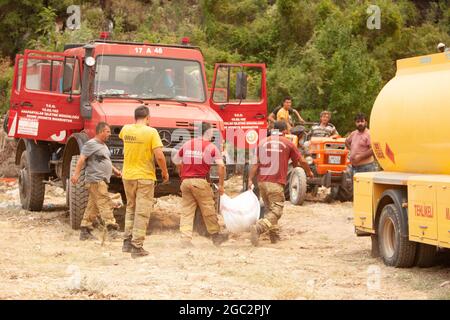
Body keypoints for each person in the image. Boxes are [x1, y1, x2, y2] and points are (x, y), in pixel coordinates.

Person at [248, 121, 314, 246]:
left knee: (270, 210)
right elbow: (301, 161)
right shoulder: (288, 143)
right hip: (275, 182)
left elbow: (256, 164)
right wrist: (309, 172)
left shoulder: (262, 142)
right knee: (277, 211)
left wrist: (250, 180)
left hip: (262, 182)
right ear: (284, 131)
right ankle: (258, 228)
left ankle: (274, 236)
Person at [119, 105, 169, 258]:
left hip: (127, 175)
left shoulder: (125, 129)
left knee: (130, 208)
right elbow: (159, 155)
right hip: (145, 176)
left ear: (135, 117)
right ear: (148, 117)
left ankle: (127, 242)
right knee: (142, 211)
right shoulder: (151, 132)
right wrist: (164, 171)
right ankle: (137, 246)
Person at [173, 122, 229, 247]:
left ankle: (185, 239)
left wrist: (182, 172)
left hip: (185, 182)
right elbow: (221, 166)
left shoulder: (187, 144)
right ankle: (215, 236)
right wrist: (221, 185)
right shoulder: (211, 147)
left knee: (187, 211)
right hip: (200, 182)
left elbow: (176, 160)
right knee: (208, 208)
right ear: (208, 132)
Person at [71, 122, 122, 241]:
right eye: (107, 131)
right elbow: (82, 159)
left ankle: (85, 230)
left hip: (101, 180)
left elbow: (106, 160)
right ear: (100, 132)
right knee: (105, 203)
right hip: (95, 180)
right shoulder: (91, 144)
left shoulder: (103, 145)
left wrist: (115, 170)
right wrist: (76, 174)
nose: (109, 134)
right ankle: (112, 229)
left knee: (92, 207)